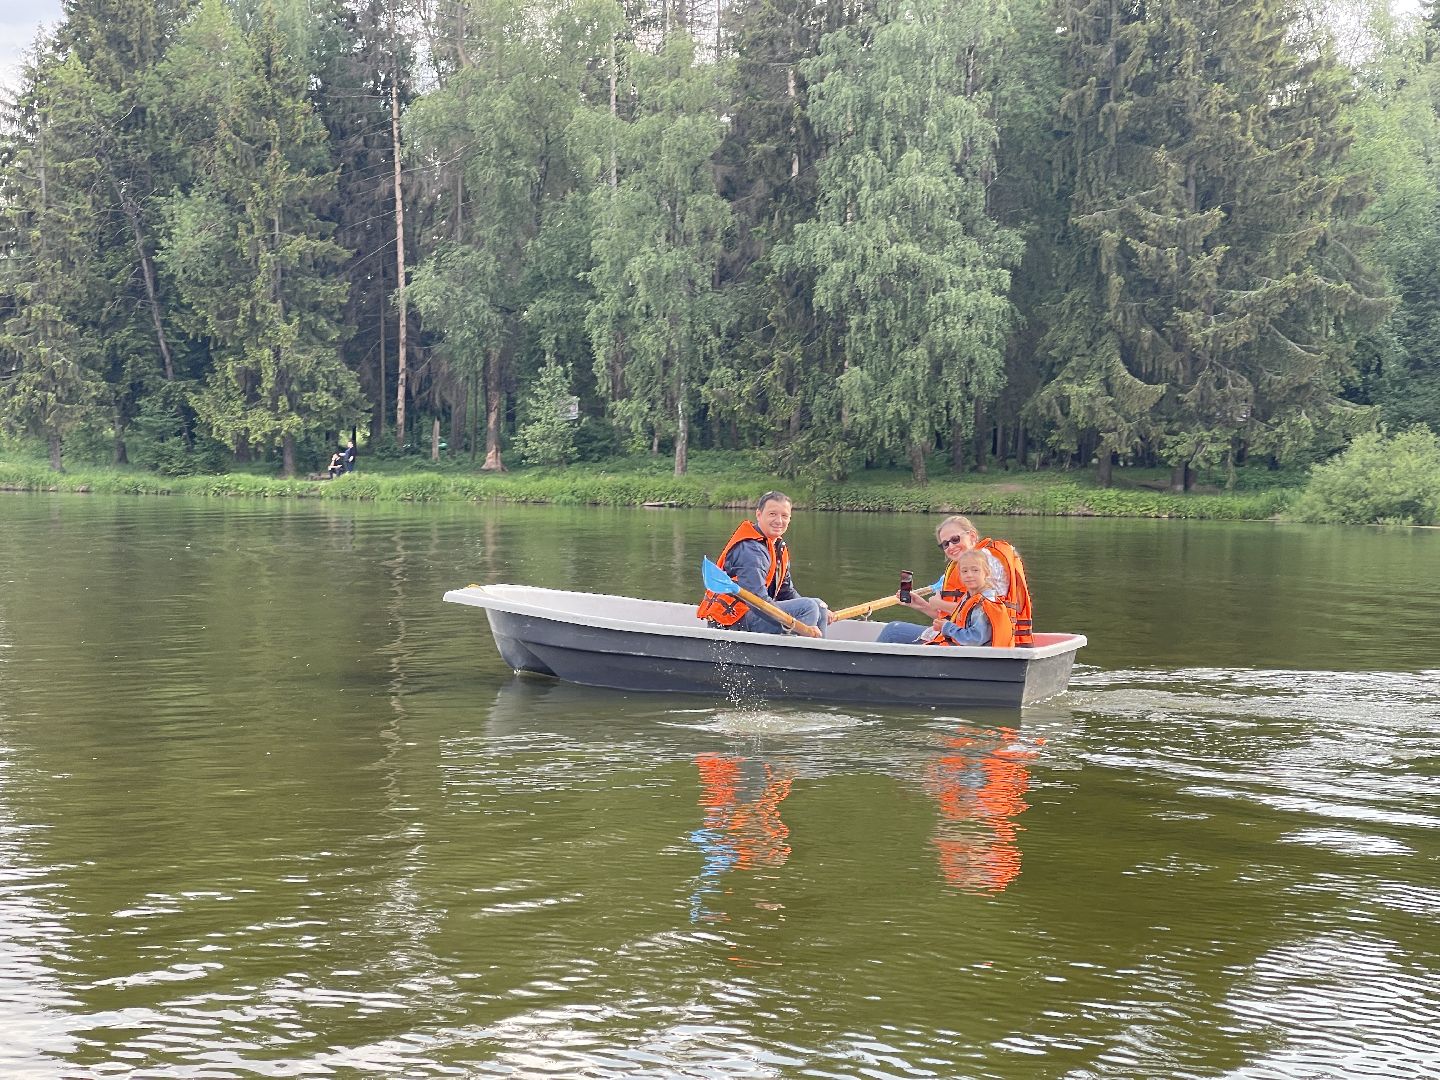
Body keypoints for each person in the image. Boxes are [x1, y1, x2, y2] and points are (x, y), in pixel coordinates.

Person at [876, 514, 1031, 645]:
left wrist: (939, 603)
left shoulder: (984, 561)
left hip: (979, 642)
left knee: (893, 630)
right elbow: (963, 617)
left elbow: (982, 613)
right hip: (973, 637)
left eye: (955, 539)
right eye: (945, 544)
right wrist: (922, 605)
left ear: (972, 536)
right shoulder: (968, 568)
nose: (950, 546)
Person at [697, 490, 830, 636]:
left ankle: (815, 653)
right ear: (759, 515)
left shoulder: (777, 546)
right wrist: (802, 622)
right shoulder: (750, 549)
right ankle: (796, 654)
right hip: (732, 622)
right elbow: (758, 602)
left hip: (753, 613)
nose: (779, 521)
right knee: (809, 607)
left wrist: (818, 612)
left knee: (819, 606)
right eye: (772, 514)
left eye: (784, 516)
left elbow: (786, 592)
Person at [925, 549, 1015, 647]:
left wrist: (947, 627)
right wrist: (943, 625)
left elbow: (974, 640)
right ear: (960, 575)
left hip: (980, 658)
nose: (969, 575)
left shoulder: (982, 604)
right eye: (964, 571)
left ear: (986, 573)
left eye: (975, 570)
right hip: (967, 654)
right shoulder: (969, 598)